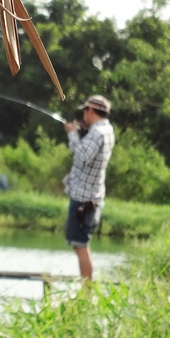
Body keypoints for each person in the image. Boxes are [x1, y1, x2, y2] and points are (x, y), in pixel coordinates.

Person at [62, 95, 115, 282]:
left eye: (85, 110)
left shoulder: (97, 133)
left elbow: (83, 156)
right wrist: (81, 133)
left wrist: (72, 133)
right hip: (93, 196)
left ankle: (87, 293)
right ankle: (87, 291)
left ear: (91, 111)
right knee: (81, 243)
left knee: (80, 244)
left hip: (83, 199)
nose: (83, 114)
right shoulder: (106, 130)